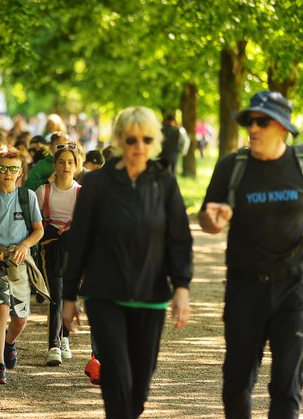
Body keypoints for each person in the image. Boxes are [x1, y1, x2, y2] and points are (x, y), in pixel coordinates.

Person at [198, 90, 303, 418]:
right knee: (236, 384)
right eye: (250, 121)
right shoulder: (231, 167)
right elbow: (207, 219)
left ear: (283, 128)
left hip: (293, 286)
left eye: (262, 121)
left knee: (287, 386)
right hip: (244, 287)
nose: (253, 128)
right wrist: (213, 219)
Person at [62, 106, 193, 419]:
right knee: (117, 372)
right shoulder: (97, 183)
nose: (139, 146)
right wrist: (69, 297)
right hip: (105, 293)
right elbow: (79, 239)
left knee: (140, 382)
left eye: (146, 139)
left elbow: (179, 237)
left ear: (155, 141)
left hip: (151, 294)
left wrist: (182, 287)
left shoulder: (164, 181)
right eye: (131, 140)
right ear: (120, 140)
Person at [0, 145, 51, 384]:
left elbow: (38, 230)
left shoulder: (28, 198)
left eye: (13, 169)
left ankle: (9, 343)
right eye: (3, 168)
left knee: (20, 319)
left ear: (20, 172)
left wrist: (25, 245)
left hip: (20, 263)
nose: (7, 173)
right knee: (0, 311)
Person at [35, 145, 81, 366]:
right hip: (52, 249)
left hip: (74, 251)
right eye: (61, 162)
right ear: (54, 165)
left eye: (70, 162)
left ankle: (64, 338)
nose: (66, 167)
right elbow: (34, 224)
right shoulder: (43, 192)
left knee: (69, 294)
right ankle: (53, 345)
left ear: (76, 165)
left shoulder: (81, 193)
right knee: (56, 294)